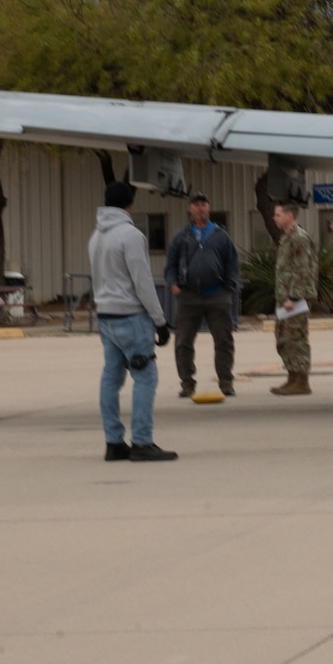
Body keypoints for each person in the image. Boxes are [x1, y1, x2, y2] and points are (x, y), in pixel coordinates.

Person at [89, 181, 177, 461]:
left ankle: (113, 441)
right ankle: (141, 441)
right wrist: (160, 320)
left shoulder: (96, 237)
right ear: (129, 204)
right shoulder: (131, 235)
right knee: (145, 377)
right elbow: (142, 282)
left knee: (111, 378)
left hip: (105, 316)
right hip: (131, 316)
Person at [166, 191, 241, 398]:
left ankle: (225, 380)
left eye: (204, 204)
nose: (200, 207)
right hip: (188, 296)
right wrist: (173, 283)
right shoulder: (181, 236)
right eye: (196, 204)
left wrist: (229, 287)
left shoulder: (220, 235)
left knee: (224, 340)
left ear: (208, 208)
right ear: (190, 209)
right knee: (183, 341)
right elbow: (170, 264)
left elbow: (232, 263)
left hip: (217, 295)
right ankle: (187, 382)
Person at [269, 201, 318, 397]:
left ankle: (302, 381)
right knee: (284, 338)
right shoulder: (287, 238)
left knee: (296, 338)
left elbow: (303, 269)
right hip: (285, 298)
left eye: (278, 215)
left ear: (289, 216)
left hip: (294, 298)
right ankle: (292, 377)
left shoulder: (299, 238)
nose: (275, 218)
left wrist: (294, 297)